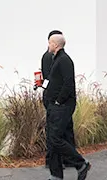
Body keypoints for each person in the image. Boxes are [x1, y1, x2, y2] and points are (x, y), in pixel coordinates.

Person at [43, 33, 91, 180]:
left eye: (50, 42)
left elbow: (68, 83)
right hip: (54, 105)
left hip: (62, 106)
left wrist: (59, 101)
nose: (48, 45)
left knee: (55, 138)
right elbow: (56, 81)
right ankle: (56, 175)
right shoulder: (56, 59)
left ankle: (81, 163)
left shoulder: (64, 60)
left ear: (55, 44)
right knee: (51, 140)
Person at [36, 30, 76, 169]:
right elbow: (60, 81)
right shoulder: (52, 57)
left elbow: (50, 78)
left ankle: (61, 160)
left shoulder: (53, 57)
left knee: (58, 130)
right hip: (57, 100)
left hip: (54, 98)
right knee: (60, 131)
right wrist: (59, 100)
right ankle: (59, 161)